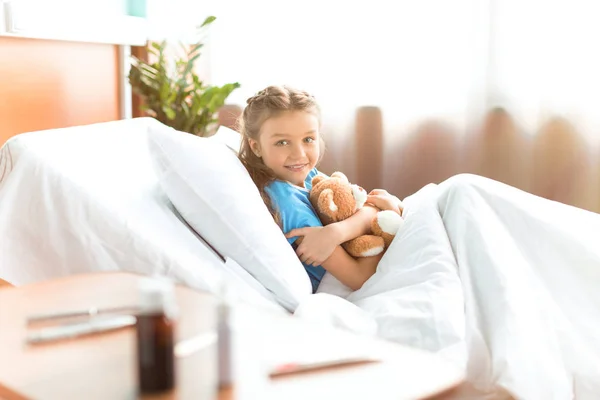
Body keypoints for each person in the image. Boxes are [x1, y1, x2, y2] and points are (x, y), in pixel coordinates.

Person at [238, 85, 402, 292]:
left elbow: (364, 205)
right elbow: (359, 277)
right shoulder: (288, 207)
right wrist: (386, 217)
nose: (299, 154)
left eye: (308, 139)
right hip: (336, 285)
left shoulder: (307, 176)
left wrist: (337, 231)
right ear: (256, 146)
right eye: (282, 142)